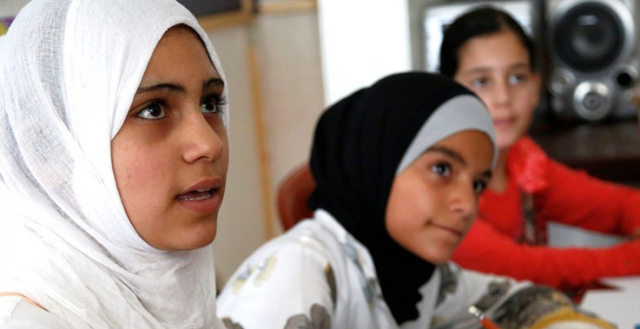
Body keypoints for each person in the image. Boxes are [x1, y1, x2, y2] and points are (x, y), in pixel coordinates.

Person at [217, 72, 613, 329]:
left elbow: (516, 298)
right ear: (378, 162)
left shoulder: (419, 276)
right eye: (441, 169)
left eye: (477, 183)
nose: (467, 204)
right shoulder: (298, 274)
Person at [0, 0, 229, 328]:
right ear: (49, 153)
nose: (210, 144)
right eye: (153, 110)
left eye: (210, 103)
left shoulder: (179, 297)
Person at [439, 6, 640, 291]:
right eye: (482, 81)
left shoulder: (523, 161)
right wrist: (633, 257)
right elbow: (521, 267)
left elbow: (618, 207)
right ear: (447, 93)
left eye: (517, 77)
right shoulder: (440, 180)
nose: (503, 98)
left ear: (536, 86)